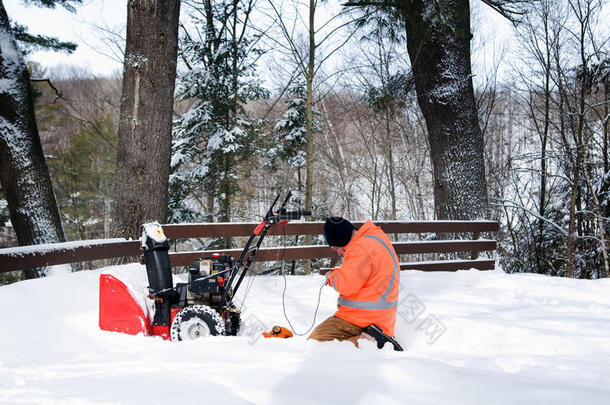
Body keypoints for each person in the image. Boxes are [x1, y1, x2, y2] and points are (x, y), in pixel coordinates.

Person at [308, 217, 400, 347]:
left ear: (341, 240)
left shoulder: (359, 249)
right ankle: (368, 339)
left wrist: (332, 276)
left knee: (317, 342)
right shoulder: (374, 238)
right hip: (382, 316)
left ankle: (368, 342)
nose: (339, 254)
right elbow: (358, 273)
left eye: (336, 248)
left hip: (362, 318)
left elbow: (346, 286)